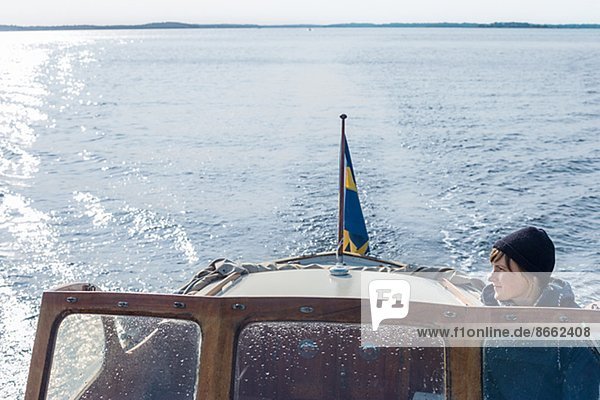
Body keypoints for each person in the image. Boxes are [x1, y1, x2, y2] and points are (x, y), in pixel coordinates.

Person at [481, 226, 600, 400]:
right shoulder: (481, 318)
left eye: (501, 270)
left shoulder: (573, 338)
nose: (491, 278)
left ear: (531, 275)